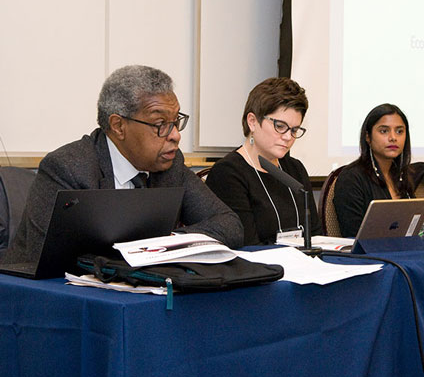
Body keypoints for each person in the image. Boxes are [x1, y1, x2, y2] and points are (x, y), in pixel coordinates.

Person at [3, 65, 244, 264]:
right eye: (160, 123)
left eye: (176, 121)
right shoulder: (68, 168)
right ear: (119, 126)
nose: (175, 136)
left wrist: (165, 242)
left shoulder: (169, 165)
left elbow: (229, 225)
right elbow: (49, 258)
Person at [206, 77, 321, 245]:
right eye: (280, 126)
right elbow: (246, 246)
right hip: (261, 268)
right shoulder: (227, 173)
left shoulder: (295, 168)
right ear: (252, 122)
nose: (288, 137)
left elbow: (315, 234)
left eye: (294, 130)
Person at [333, 103, 424, 237]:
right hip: (370, 255)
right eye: (384, 131)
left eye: (399, 131)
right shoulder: (351, 178)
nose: (393, 137)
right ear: (368, 137)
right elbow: (353, 234)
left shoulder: (403, 175)